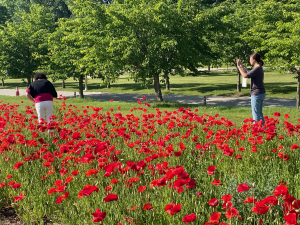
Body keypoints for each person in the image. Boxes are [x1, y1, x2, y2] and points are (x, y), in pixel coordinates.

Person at [236, 53, 266, 125]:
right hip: (260, 93)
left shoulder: (257, 68)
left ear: (254, 60)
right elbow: (247, 73)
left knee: (255, 114)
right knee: (259, 113)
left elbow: (245, 75)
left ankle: (257, 130)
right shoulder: (258, 68)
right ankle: (263, 128)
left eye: (250, 59)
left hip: (256, 94)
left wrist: (239, 67)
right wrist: (241, 66)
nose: (250, 60)